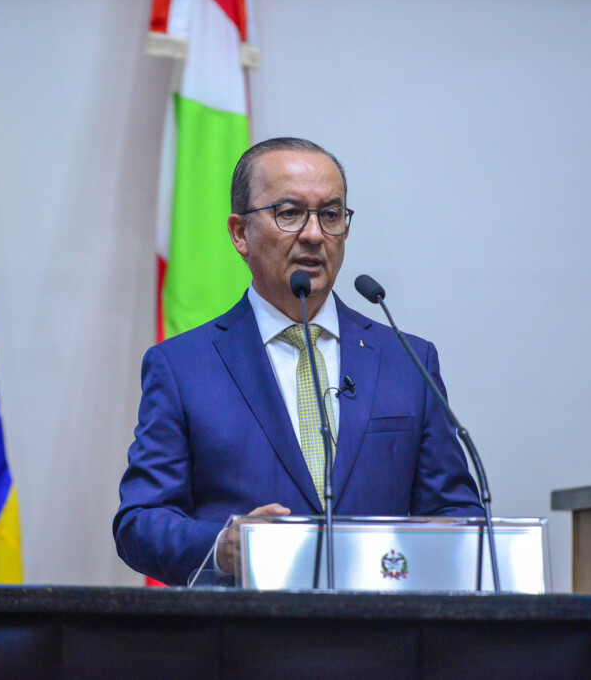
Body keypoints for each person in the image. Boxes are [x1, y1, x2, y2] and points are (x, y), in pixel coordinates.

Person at [113, 137, 483, 586]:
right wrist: (221, 546)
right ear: (239, 233)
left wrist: (440, 542)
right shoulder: (182, 366)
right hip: (243, 638)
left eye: (330, 215)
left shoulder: (407, 360)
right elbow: (140, 520)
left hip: (380, 637)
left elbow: (456, 512)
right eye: (289, 213)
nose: (313, 234)